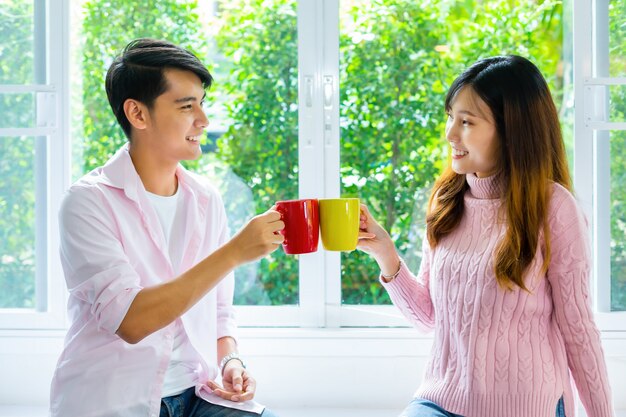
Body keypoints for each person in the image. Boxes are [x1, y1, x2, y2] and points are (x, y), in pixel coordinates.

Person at [357, 55, 615, 417]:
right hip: (440, 400)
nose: (450, 133)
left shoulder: (553, 207)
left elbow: (579, 332)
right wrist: (386, 255)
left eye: (466, 122)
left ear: (511, 132)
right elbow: (429, 318)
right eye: (450, 117)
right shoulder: (448, 202)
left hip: (528, 406)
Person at [49, 38, 285, 417]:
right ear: (138, 114)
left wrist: (230, 363)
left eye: (202, 103)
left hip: (199, 395)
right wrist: (234, 253)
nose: (203, 120)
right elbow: (131, 321)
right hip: (114, 401)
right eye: (186, 106)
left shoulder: (207, 200)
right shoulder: (87, 202)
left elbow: (219, 311)